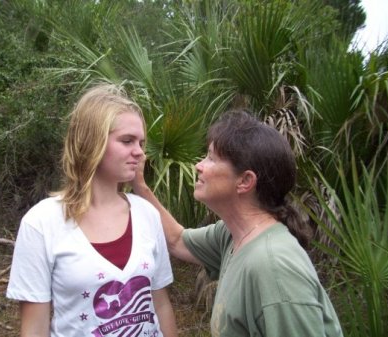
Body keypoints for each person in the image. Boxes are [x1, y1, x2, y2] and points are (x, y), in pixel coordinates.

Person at [132, 109, 343, 337]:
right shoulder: (232, 236)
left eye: (211, 158)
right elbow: (176, 240)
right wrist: (139, 185)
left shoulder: (274, 267)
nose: (199, 166)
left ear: (245, 181)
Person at [7, 84, 178, 337]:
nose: (140, 152)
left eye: (141, 142)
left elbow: (161, 304)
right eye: (127, 140)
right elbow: (34, 327)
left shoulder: (147, 215)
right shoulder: (41, 223)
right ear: (92, 142)